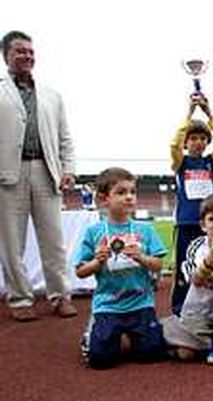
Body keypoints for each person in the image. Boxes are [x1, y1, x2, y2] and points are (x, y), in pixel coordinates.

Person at [0, 30, 77, 322]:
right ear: (6, 55)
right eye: (20, 51)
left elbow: (64, 137)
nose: (27, 56)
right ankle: (20, 299)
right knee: (11, 243)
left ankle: (61, 295)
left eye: (31, 51)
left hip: (46, 171)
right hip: (8, 174)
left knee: (54, 240)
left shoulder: (52, 95)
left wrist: (68, 169)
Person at [75, 167, 168, 369]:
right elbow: (80, 271)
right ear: (104, 199)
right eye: (121, 192)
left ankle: (142, 336)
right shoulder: (94, 232)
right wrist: (97, 262)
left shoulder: (145, 230)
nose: (129, 197)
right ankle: (93, 333)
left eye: (132, 192)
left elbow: (159, 265)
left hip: (141, 304)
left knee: (151, 355)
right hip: (108, 305)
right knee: (101, 361)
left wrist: (141, 258)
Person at [162, 193, 213, 364]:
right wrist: (212, 259)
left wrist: (206, 272)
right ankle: (208, 340)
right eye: (212, 220)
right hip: (199, 310)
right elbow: (195, 280)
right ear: (203, 225)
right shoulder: (195, 246)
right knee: (185, 355)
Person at [170, 93, 213, 315]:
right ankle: (180, 309)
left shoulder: (212, 162)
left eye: (203, 138)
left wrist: (208, 113)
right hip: (187, 222)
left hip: (212, 224)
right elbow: (174, 143)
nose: (198, 142)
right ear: (186, 142)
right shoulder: (180, 163)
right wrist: (189, 113)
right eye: (193, 138)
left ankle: (211, 307)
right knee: (185, 266)